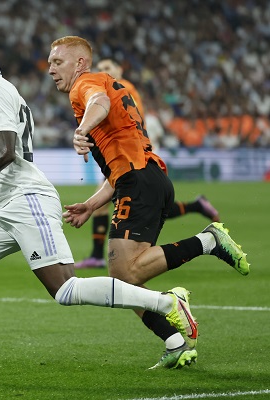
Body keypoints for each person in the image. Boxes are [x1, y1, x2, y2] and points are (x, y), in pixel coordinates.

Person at [0, 23, 199, 382]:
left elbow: (6, 152)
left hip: (27, 199)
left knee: (66, 289)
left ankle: (167, 302)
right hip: (6, 204)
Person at [47, 36, 249, 369]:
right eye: (51, 63)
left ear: (80, 63)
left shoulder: (85, 85)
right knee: (126, 281)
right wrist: (90, 203)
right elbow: (116, 167)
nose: (51, 70)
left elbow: (99, 102)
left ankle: (206, 243)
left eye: (58, 62)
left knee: (123, 274)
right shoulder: (105, 85)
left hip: (139, 182)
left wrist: (81, 129)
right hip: (143, 179)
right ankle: (176, 342)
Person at [75, 58, 220, 269]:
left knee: (131, 207)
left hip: (133, 157)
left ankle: (100, 255)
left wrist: (84, 129)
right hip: (125, 156)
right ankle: (196, 209)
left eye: (108, 68)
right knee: (135, 207)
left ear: (119, 69)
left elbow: (123, 120)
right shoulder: (114, 88)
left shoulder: (122, 88)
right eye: (101, 69)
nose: (103, 71)